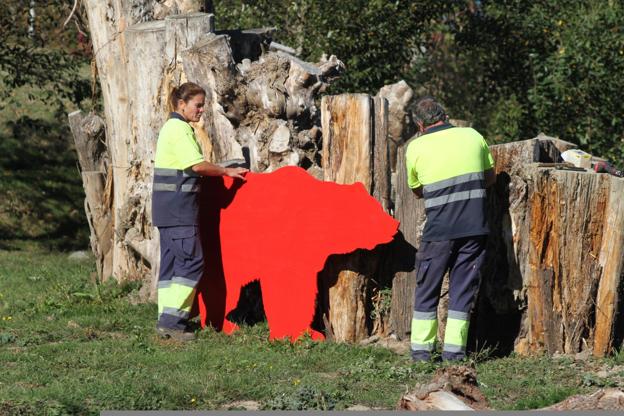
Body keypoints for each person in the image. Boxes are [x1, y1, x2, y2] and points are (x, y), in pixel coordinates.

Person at [152, 82, 248, 341]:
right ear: (181, 104)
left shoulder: (170, 128)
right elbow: (196, 166)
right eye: (198, 105)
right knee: (192, 262)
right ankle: (172, 324)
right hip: (179, 211)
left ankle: (166, 321)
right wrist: (226, 171)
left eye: (203, 105)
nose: (202, 110)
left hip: (166, 211)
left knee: (172, 267)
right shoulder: (180, 130)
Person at [405, 97, 495, 362]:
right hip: (474, 228)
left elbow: (416, 190)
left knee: (427, 289)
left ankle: (422, 353)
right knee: (463, 291)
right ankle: (454, 354)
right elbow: (489, 177)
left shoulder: (416, 147)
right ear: (445, 116)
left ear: (420, 125)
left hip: (439, 231)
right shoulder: (472, 135)